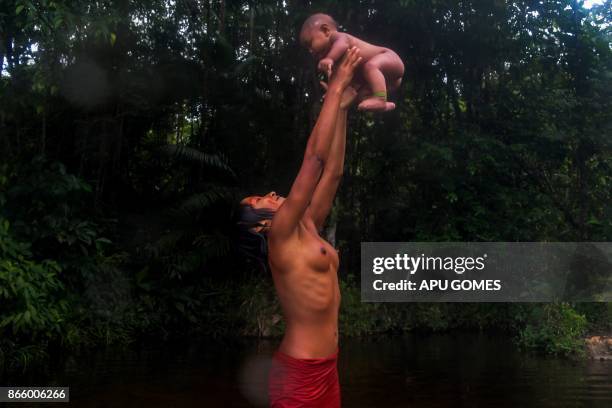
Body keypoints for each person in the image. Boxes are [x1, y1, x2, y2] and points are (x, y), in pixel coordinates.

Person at [236, 47, 362, 407]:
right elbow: (314, 160)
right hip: (300, 373)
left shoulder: (306, 225)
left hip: (327, 368)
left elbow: (333, 172)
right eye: (261, 200)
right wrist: (335, 86)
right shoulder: (279, 238)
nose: (271, 193)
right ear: (258, 228)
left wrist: (340, 110)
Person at [299, 13, 405, 112]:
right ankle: (384, 104)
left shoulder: (338, 37)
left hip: (389, 57)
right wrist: (333, 91)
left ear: (326, 30)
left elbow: (342, 45)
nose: (310, 50)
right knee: (360, 95)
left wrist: (330, 58)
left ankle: (381, 100)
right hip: (386, 80)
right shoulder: (336, 61)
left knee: (370, 66)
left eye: (310, 43)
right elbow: (338, 77)